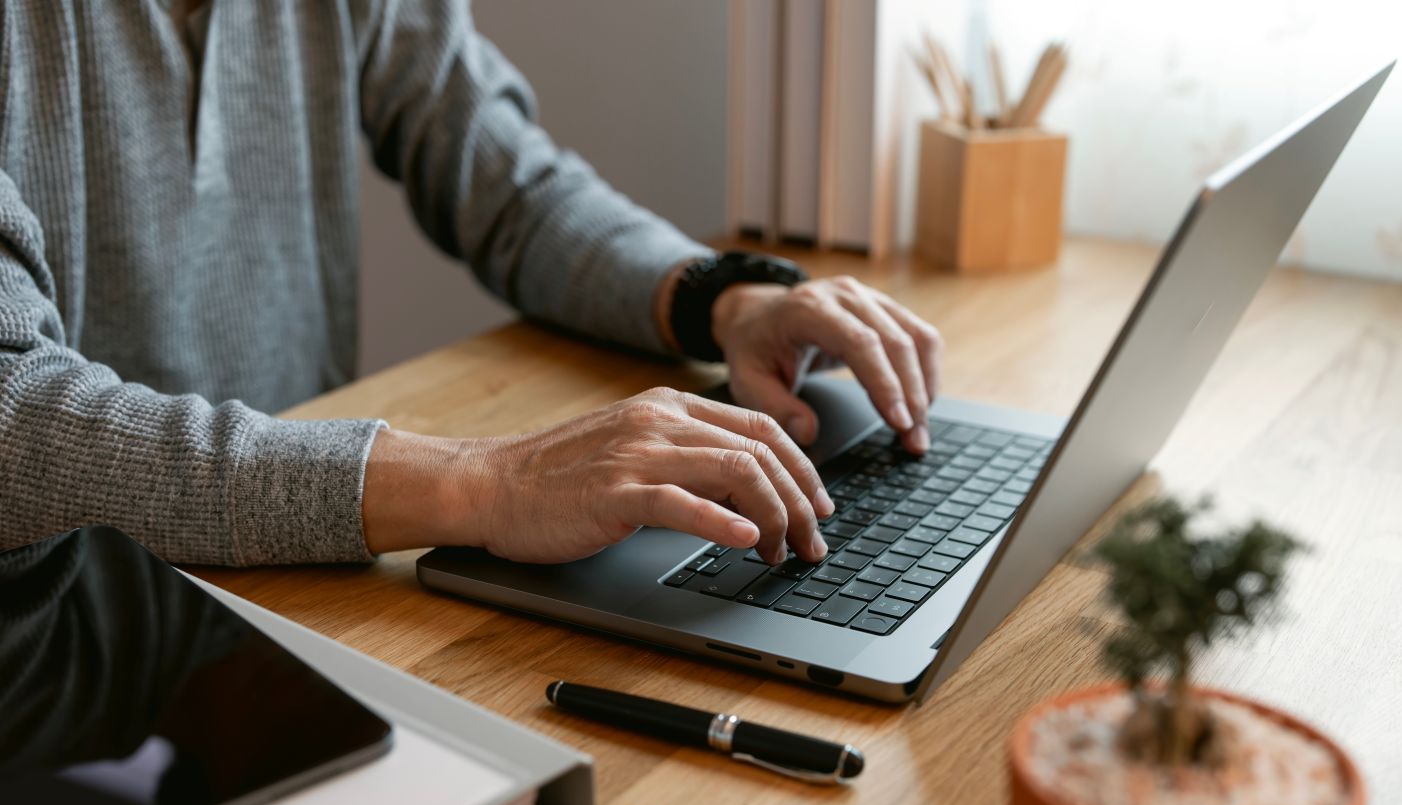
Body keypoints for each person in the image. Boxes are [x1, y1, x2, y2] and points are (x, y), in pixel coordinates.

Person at [0, 1, 943, 569]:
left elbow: (504, 178)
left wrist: (723, 300)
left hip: (305, 578)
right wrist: (484, 482)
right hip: (49, 617)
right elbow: (12, 417)